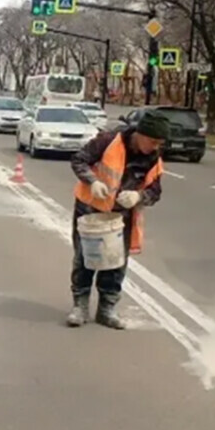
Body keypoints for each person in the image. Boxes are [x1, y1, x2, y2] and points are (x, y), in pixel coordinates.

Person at [66, 110, 170, 330]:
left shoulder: (153, 158)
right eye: (152, 141)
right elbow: (78, 160)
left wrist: (139, 196)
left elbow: (155, 190)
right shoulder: (108, 141)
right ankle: (80, 306)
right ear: (139, 134)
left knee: (115, 262)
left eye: (159, 143)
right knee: (85, 258)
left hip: (120, 216)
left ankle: (107, 309)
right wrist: (92, 181)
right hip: (90, 208)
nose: (155, 147)